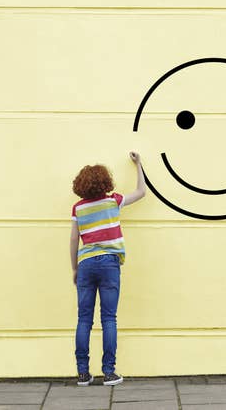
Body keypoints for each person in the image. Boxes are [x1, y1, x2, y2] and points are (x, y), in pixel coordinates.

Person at [70, 152, 146, 386]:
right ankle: (109, 373)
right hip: (110, 263)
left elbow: (74, 240)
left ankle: (83, 373)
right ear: (105, 182)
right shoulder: (113, 201)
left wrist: (75, 269)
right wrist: (139, 164)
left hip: (86, 264)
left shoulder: (78, 209)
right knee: (109, 318)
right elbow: (141, 192)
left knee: (84, 319)